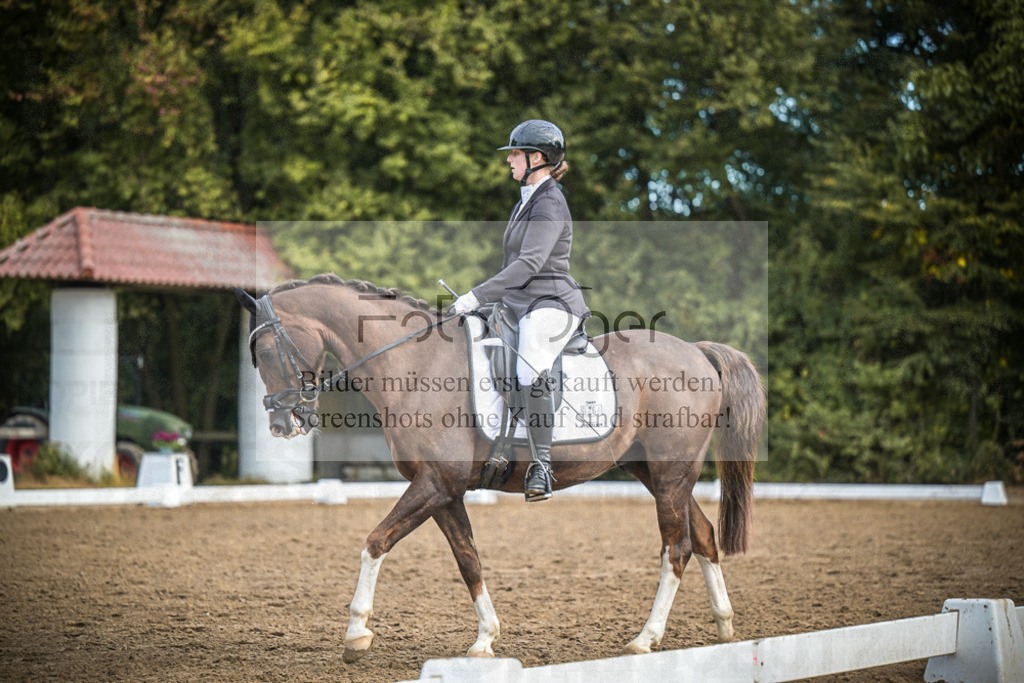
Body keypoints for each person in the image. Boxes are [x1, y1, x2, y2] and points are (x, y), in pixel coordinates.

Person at [451, 120, 590, 502]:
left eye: (515, 153)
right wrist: (489, 302)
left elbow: (529, 264)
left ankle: (541, 465)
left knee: (530, 363)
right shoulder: (526, 199)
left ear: (538, 158)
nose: (509, 159)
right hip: (518, 302)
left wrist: (476, 295)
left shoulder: (550, 202)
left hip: (551, 301)